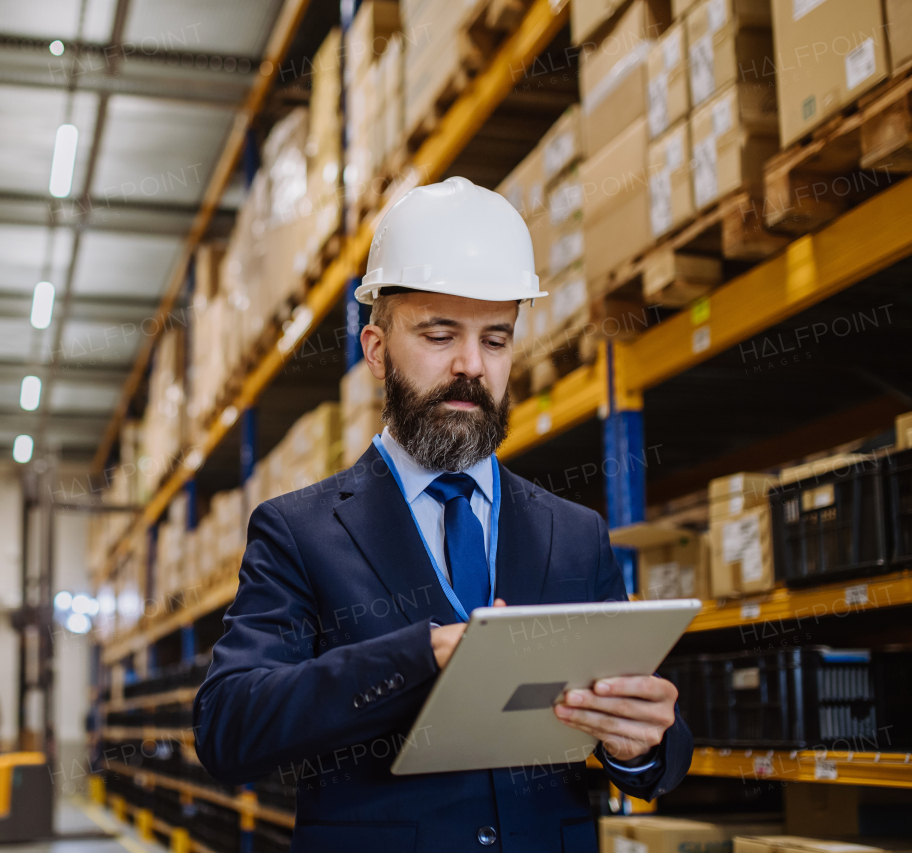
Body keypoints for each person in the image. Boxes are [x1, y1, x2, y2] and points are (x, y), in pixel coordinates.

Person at [193, 177, 692, 852]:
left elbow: (657, 742)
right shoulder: (298, 531)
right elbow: (229, 727)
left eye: (496, 339)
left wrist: (640, 743)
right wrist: (422, 654)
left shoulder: (575, 535)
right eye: (439, 334)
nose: (470, 366)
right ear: (376, 349)